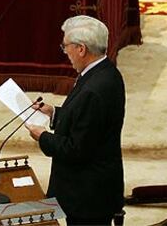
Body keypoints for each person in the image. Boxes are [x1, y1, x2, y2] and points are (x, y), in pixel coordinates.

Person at [26, 15, 125, 226]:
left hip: (88, 197)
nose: (66, 53)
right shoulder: (105, 72)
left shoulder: (94, 89)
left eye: (66, 47)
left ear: (81, 49)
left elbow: (76, 150)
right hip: (93, 188)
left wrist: (42, 136)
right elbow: (88, 123)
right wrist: (53, 112)